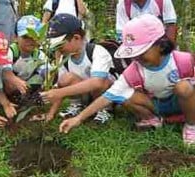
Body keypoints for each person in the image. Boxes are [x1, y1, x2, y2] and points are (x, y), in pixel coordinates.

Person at [59, 14, 195, 146]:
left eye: (142, 53)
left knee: (183, 87)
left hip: (183, 103)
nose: (138, 58)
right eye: (135, 55)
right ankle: (152, 119)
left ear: (161, 45)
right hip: (156, 104)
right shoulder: (135, 70)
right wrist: (78, 118)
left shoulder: (182, 61)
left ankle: (191, 125)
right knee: (123, 95)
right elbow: (107, 96)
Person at [38, 14, 114, 123]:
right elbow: (61, 86)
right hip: (87, 95)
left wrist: (60, 93)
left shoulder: (97, 51)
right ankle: (78, 105)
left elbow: (98, 83)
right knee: (65, 78)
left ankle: (105, 109)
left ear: (76, 38)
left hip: (106, 95)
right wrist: (50, 113)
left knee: (102, 80)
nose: (57, 49)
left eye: (59, 45)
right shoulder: (64, 58)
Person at [2, 15, 49, 97]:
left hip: (28, 83)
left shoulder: (39, 54)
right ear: (16, 37)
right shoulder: (11, 51)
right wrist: (16, 81)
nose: (30, 40)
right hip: (12, 85)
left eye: (34, 36)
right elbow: (6, 72)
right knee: (10, 82)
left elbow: (47, 71)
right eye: (26, 37)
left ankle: (33, 97)